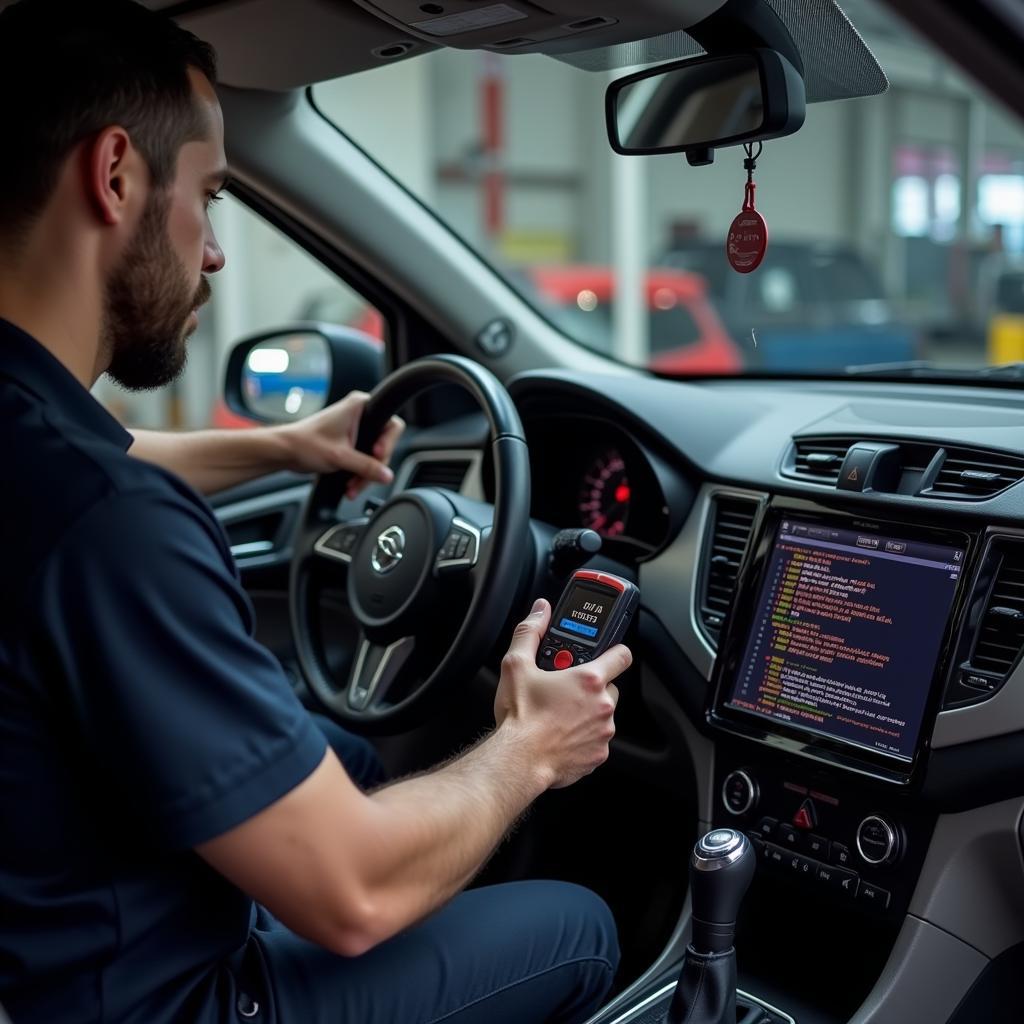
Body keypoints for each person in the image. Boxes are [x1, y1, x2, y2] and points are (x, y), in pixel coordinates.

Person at [0, 2, 631, 1022]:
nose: (211, 254)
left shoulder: (40, 450)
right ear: (114, 175)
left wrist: (285, 446)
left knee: (358, 761)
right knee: (575, 922)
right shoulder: (113, 530)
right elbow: (352, 893)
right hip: (175, 1001)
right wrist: (529, 745)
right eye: (206, 196)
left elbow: (96, 457)